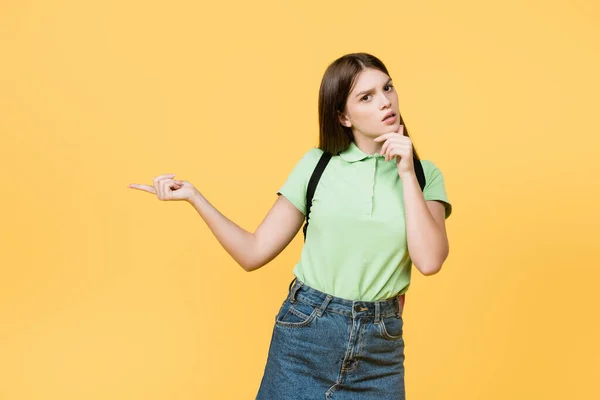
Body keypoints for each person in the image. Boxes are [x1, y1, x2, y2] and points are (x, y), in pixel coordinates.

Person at [129, 52, 452, 399]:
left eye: (387, 88)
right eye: (366, 96)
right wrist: (195, 197)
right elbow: (253, 252)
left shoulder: (422, 174)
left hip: (380, 349)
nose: (385, 102)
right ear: (344, 116)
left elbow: (429, 261)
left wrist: (405, 172)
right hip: (306, 335)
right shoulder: (318, 166)